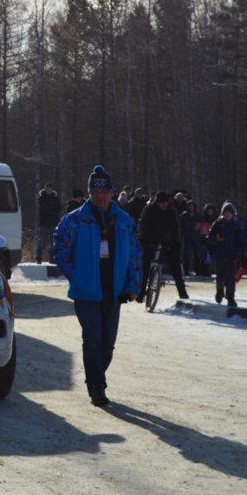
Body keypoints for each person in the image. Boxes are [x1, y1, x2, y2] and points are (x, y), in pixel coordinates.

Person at [53, 165, 141, 407]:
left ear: (111, 193)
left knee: (107, 344)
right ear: (90, 193)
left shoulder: (124, 222)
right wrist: (76, 276)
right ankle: (96, 386)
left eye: (104, 192)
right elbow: (60, 249)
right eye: (95, 192)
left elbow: (135, 254)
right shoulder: (74, 220)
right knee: (92, 338)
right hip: (86, 292)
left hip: (114, 291)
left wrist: (133, 284)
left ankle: (96, 375)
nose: (99, 196)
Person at [137, 191, 189, 300]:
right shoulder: (149, 209)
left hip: (167, 240)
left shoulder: (171, 210)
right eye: (161, 203)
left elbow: (176, 227)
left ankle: (182, 292)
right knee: (145, 264)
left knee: (175, 265)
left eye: (165, 202)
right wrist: (143, 237)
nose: (164, 205)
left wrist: (176, 242)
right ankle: (141, 292)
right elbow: (143, 223)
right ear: (157, 203)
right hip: (151, 239)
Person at [207, 202, 245, 307]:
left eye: (229, 212)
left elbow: (242, 240)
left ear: (233, 213)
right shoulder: (218, 223)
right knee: (220, 277)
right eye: (225, 212)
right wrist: (216, 238)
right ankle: (219, 291)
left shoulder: (237, 225)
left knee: (231, 278)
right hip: (220, 255)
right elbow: (209, 237)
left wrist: (244, 252)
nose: (227, 214)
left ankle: (230, 298)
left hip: (233, 255)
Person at [36, 182, 61, 264]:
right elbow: (43, 209)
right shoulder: (41, 198)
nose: (49, 190)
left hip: (53, 222)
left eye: (50, 189)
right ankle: (38, 258)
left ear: (52, 190)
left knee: (53, 241)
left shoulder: (56, 199)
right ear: (45, 189)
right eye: (47, 189)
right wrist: (51, 210)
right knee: (41, 241)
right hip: (43, 222)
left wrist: (49, 210)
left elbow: (58, 210)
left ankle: (52, 258)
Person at [179, 200, 204, 277]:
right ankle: (186, 270)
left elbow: (203, 225)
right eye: (189, 206)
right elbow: (180, 226)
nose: (191, 207)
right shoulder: (183, 215)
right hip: (187, 237)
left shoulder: (198, 215)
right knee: (187, 254)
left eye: (192, 206)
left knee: (197, 255)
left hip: (196, 237)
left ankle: (198, 271)